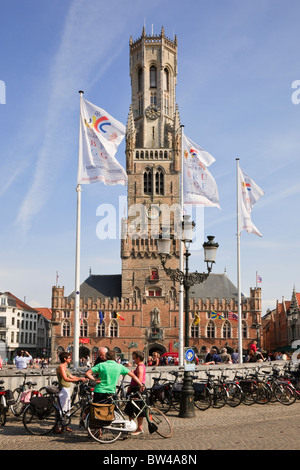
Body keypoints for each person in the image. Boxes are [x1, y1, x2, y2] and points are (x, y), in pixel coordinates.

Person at [56, 352, 87, 433]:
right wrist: (77, 379)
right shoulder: (61, 367)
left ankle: (65, 426)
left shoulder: (65, 367)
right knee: (62, 408)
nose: (71, 359)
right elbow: (66, 378)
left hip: (67, 388)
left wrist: (81, 378)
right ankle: (56, 427)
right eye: (69, 358)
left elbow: (71, 376)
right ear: (65, 359)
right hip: (62, 389)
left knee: (67, 407)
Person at [125, 350, 146, 436]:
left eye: (134, 358)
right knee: (136, 409)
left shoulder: (140, 367)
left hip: (137, 390)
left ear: (138, 358)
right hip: (136, 389)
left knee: (134, 409)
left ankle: (137, 427)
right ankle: (136, 427)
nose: (133, 360)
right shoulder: (140, 366)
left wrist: (134, 387)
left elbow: (140, 380)